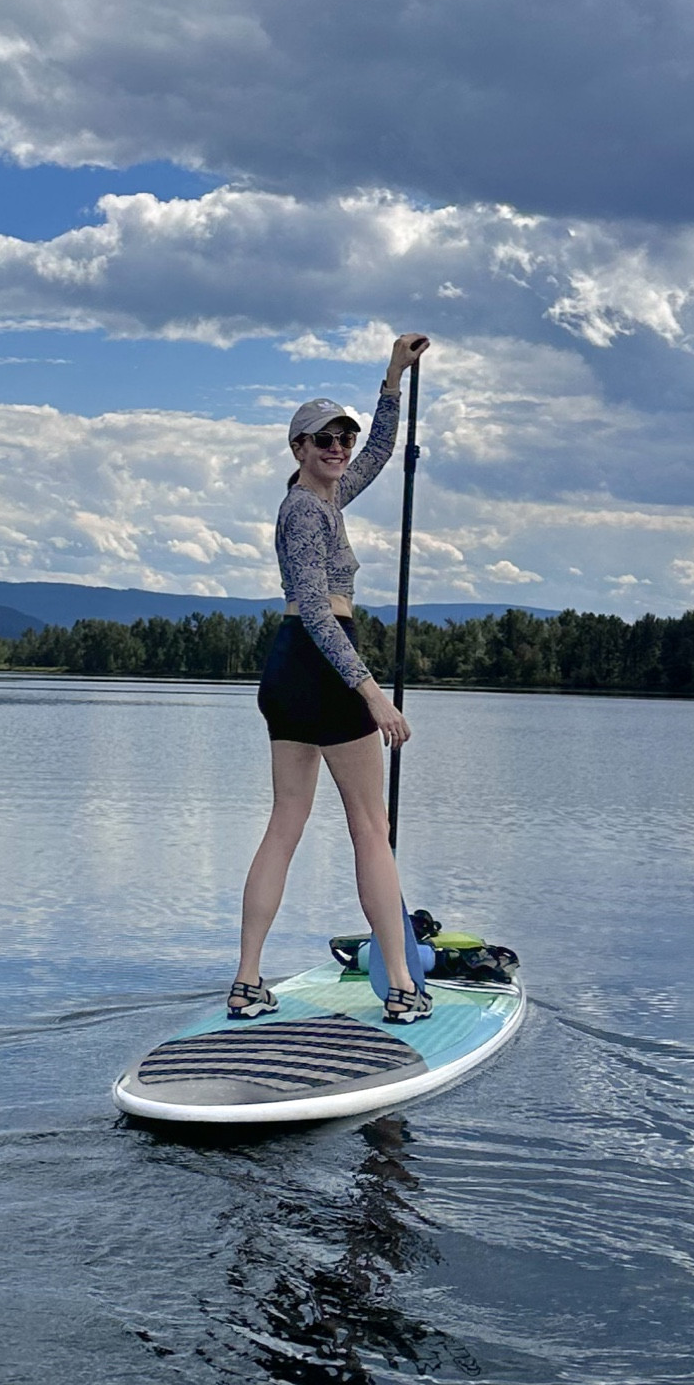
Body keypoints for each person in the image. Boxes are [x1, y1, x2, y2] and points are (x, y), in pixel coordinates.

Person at [231, 333, 432, 1024]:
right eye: (324, 440)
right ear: (297, 448)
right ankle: (403, 987)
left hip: (288, 669)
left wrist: (392, 378)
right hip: (321, 660)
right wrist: (372, 693)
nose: (339, 449)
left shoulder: (327, 497)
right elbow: (318, 611)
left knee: (286, 822)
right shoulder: (305, 510)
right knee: (370, 829)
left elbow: (380, 453)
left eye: (341, 439)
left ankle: (248, 982)